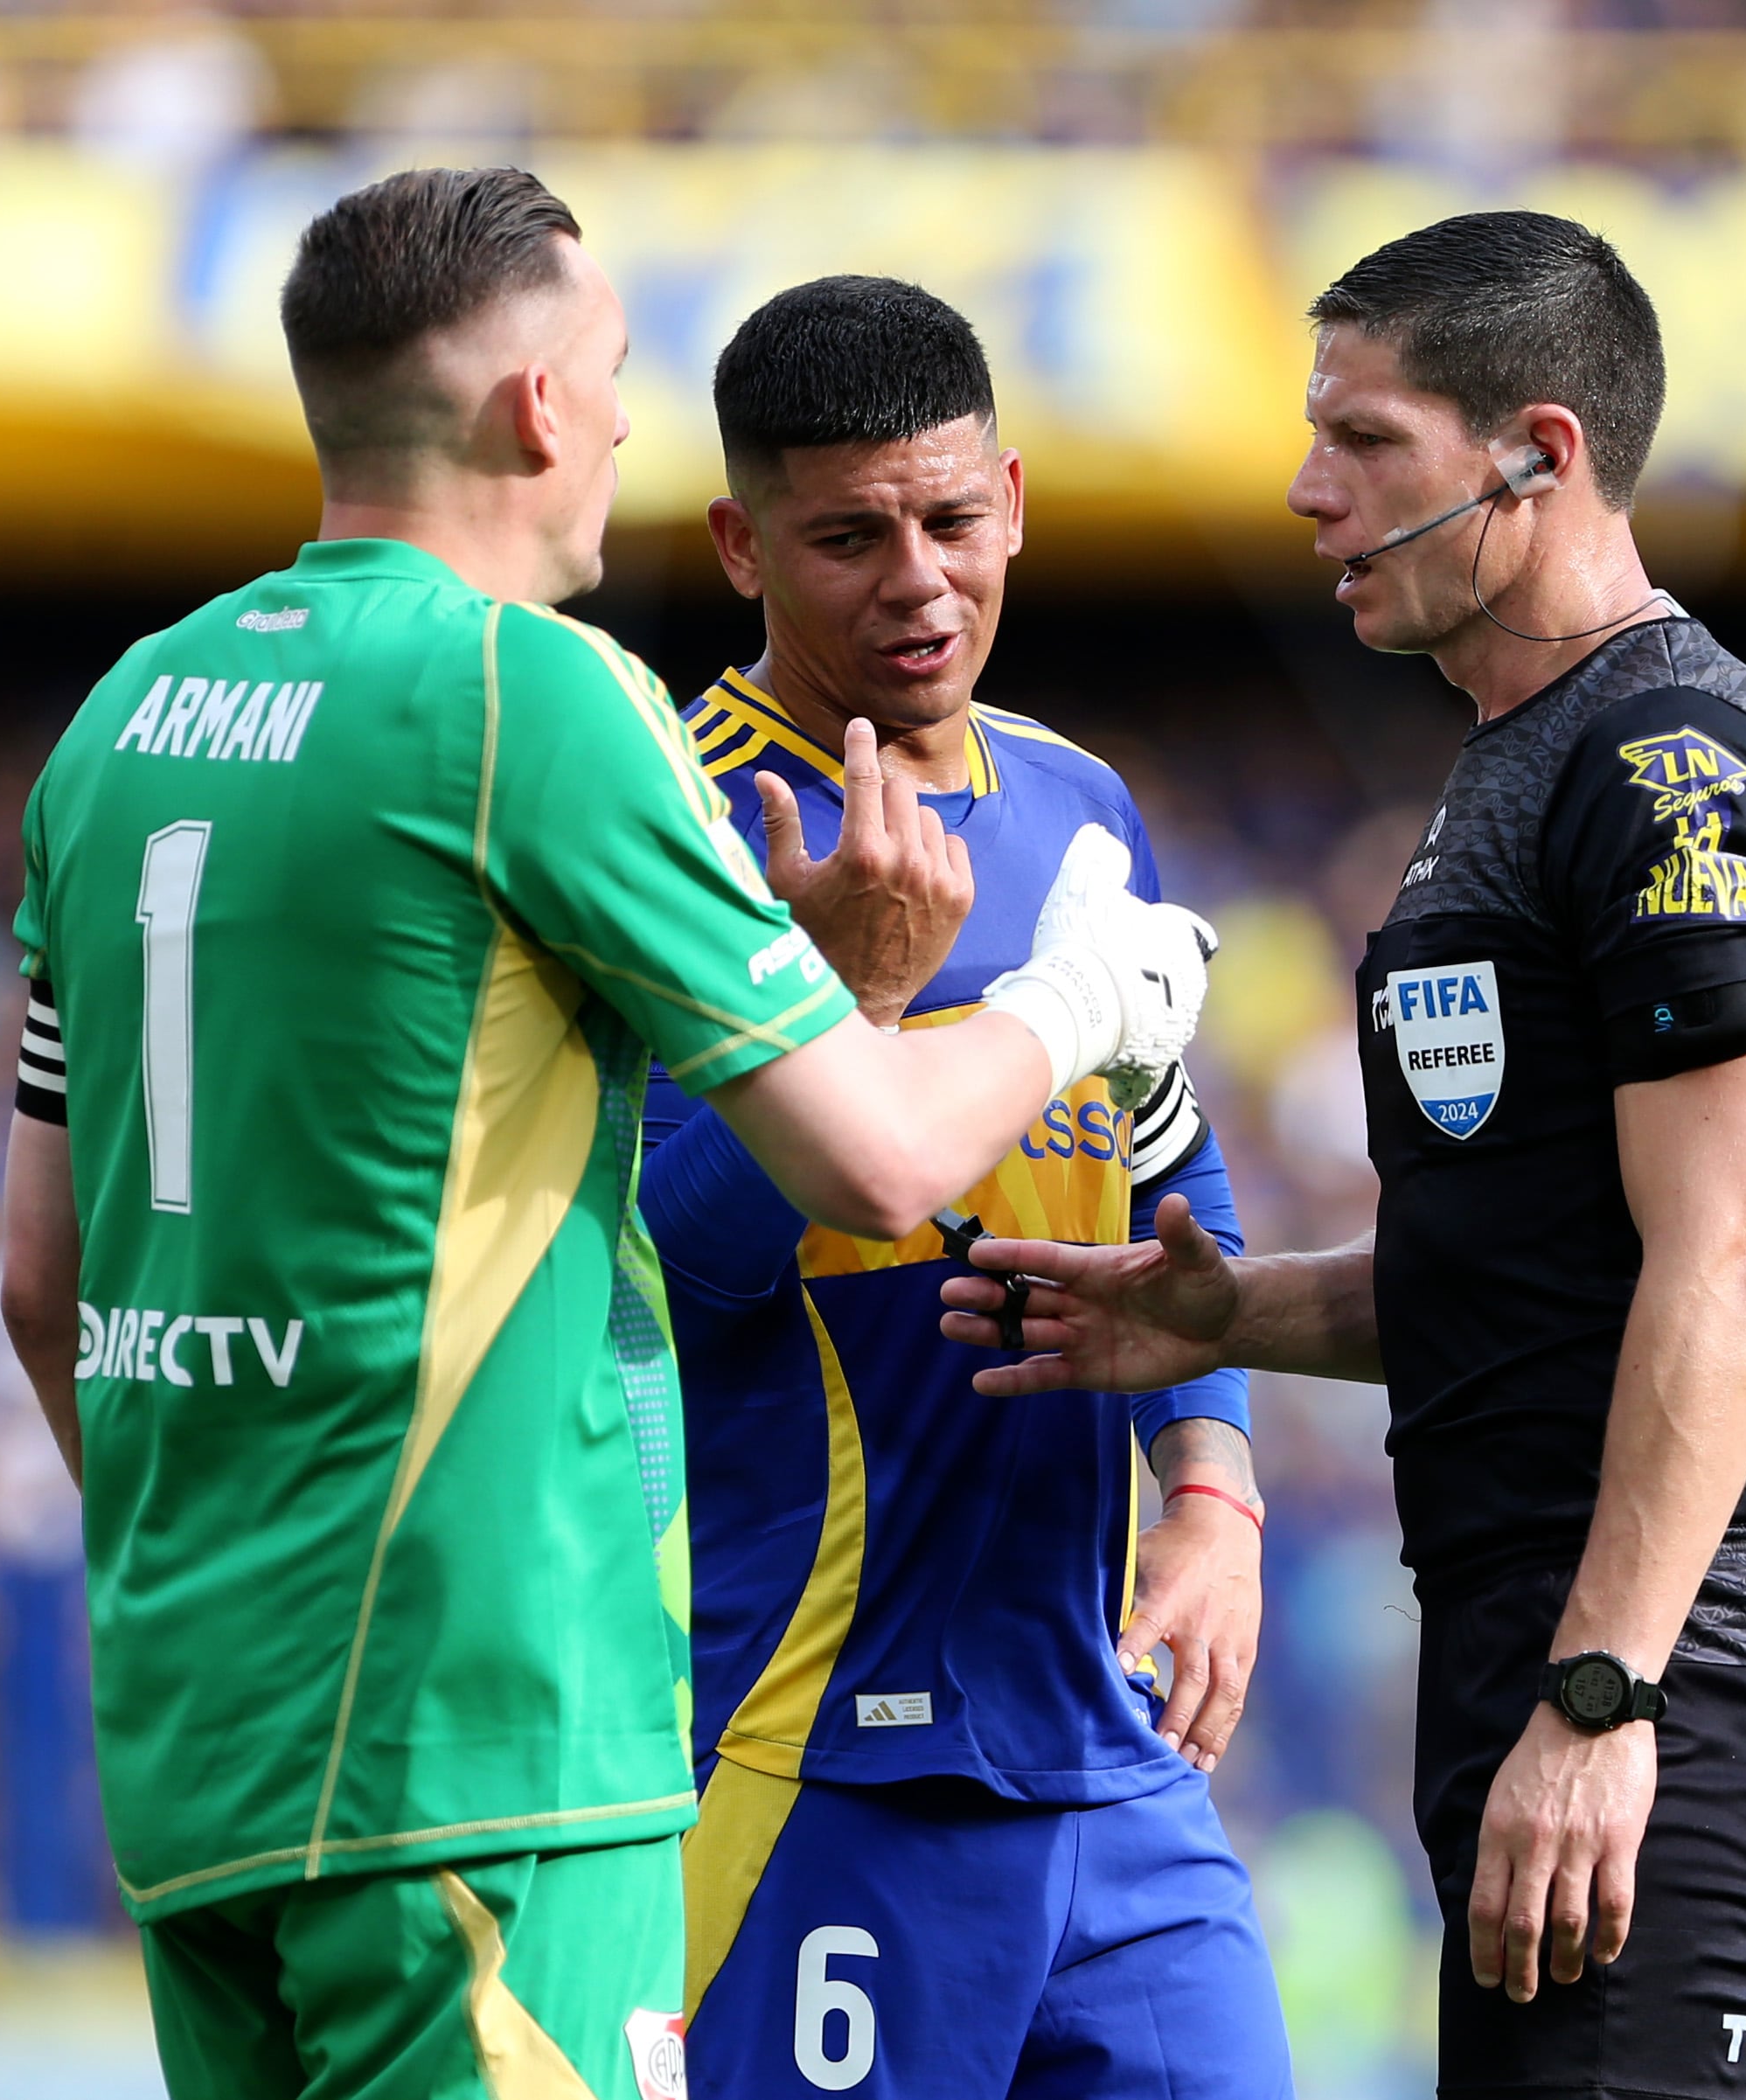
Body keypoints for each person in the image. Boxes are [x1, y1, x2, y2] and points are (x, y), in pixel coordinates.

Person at [0, 170, 1213, 2100]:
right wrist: (1090, 997)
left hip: (197, 1736)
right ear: (542, 403)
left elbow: (38, 1282)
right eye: (621, 373)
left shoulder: (120, 721)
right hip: (485, 1736)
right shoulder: (536, 695)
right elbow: (879, 1163)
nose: (628, 428)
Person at [941, 208, 1746, 2099]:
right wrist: (1226, 1315)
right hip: (1543, 1641)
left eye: (1364, 441)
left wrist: (1603, 1691)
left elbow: (1735, 1253)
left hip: (1649, 1662)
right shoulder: (1523, 761)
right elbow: (1552, 1272)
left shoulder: (1665, 763)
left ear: (1536, 455)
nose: (1307, 490)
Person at [639, 277, 1291, 2100]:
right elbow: (655, 1270)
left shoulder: (1081, 803)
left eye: (948, 520)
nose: (918, 582)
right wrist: (841, 1011)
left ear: (1011, 497)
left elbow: (1170, 1166)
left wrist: (1213, 1487)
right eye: (848, 538)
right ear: (740, 545)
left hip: (1110, 1755)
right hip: (812, 1756)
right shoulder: (668, 822)